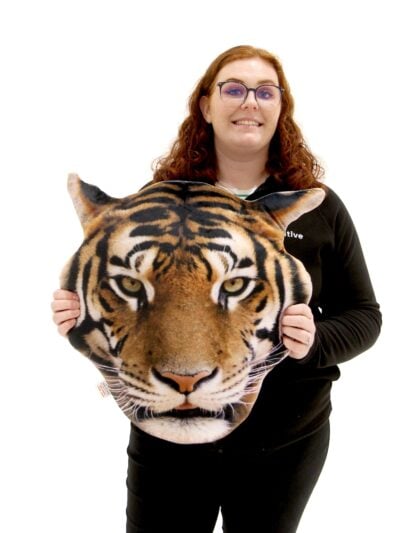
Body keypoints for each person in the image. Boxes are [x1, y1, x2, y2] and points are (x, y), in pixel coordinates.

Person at [51, 45, 382, 533]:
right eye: (233, 89)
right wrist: (75, 315)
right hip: (164, 445)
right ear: (206, 106)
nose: (249, 101)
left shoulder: (319, 207)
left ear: (281, 108)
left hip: (285, 445)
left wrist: (313, 343)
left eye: (265, 92)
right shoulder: (153, 204)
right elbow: (100, 296)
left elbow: (364, 315)